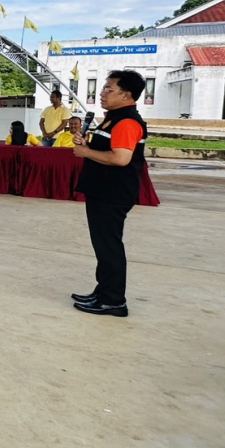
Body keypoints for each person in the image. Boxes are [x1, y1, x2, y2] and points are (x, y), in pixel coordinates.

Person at [71, 70, 148, 317]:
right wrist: (88, 146)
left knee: (109, 246)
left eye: (108, 89)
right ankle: (103, 291)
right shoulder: (113, 118)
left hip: (112, 193)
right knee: (102, 245)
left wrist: (86, 153)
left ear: (126, 95)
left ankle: (113, 300)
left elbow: (121, 158)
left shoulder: (126, 122)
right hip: (103, 190)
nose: (102, 93)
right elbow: (108, 149)